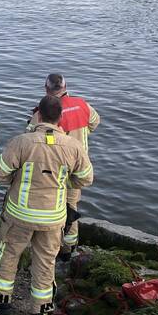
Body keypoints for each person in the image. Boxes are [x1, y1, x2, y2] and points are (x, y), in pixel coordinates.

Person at [0, 95, 94, 315]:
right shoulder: (72, 147)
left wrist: (17, 178)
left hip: (20, 214)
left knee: (8, 256)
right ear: (60, 117)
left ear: (39, 115)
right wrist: (64, 181)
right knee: (46, 262)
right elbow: (86, 178)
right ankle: (41, 310)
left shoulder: (22, 142)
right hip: (53, 217)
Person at [28, 73, 100, 258]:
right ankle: (70, 248)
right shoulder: (83, 105)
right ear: (66, 86)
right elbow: (94, 123)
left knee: (53, 205)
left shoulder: (43, 112)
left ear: (46, 89)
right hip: (78, 166)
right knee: (72, 204)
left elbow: (31, 138)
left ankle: (51, 243)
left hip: (54, 167)